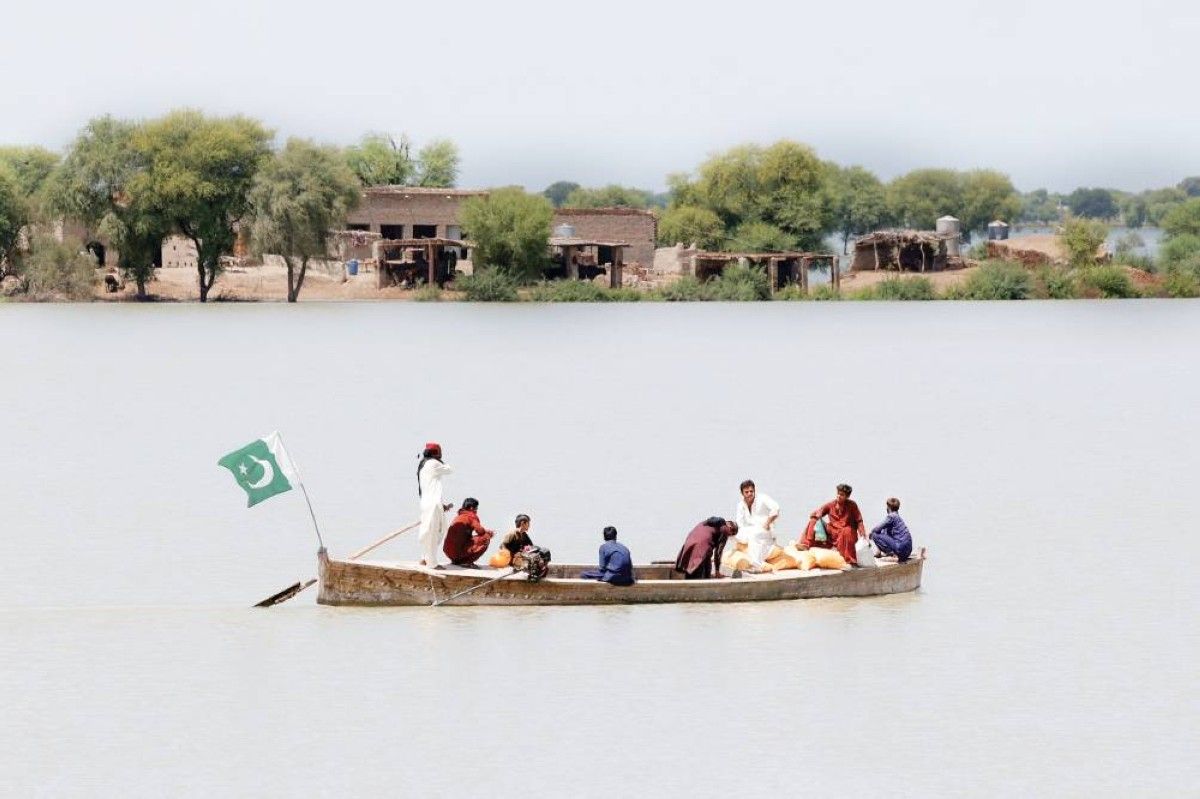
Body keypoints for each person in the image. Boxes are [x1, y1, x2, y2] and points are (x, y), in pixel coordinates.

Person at [801, 483, 866, 566]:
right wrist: (817, 515)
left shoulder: (852, 505)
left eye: (842, 495)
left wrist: (863, 535)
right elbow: (818, 512)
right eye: (838, 494)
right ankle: (807, 544)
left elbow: (859, 521)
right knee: (813, 521)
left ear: (847, 497)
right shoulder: (831, 505)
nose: (839, 496)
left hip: (846, 534)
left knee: (846, 531)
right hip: (832, 532)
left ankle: (849, 560)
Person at [416, 442, 453, 568]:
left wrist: (442, 505)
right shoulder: (433, 463)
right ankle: (431, 563)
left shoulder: (423, 464)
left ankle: (424, 558)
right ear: (437, 453)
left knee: (431, 531)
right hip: (432, 505)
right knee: (433, 532)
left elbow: (432, 488)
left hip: (428, 503)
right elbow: (449, 469)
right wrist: (441, 461)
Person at [733, 479, 782, 570]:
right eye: (746, 492)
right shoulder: (740, 505)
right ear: (742, 493)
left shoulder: (762, 498)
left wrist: (767, 523)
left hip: (765, 530)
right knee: (732, 535)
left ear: (754, 491)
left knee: (753, 535)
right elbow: (739, 523)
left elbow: (776, 508)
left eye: (751, 491)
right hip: (749, 530)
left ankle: (757, 565)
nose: (749, 494)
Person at [442, 497, 494, 567]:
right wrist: (489, 533)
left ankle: (458, 561)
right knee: (486, 537)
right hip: (457, 553)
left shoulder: (459, 517)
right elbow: (480, 531)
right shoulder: (471, 516)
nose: (476, 511)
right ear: (472, 508)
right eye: (476, 509)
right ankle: (466, 562)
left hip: (448, 552)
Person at [870, 497, 913, 562]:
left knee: (874, 534)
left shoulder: (891, 516)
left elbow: (876, 529)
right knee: (884, 530)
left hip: (900, 549)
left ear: (889, 507)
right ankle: (888, 553)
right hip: (907, 551)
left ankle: (892, 554)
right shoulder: (898, 518)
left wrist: (870, 535)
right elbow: (884, 531)